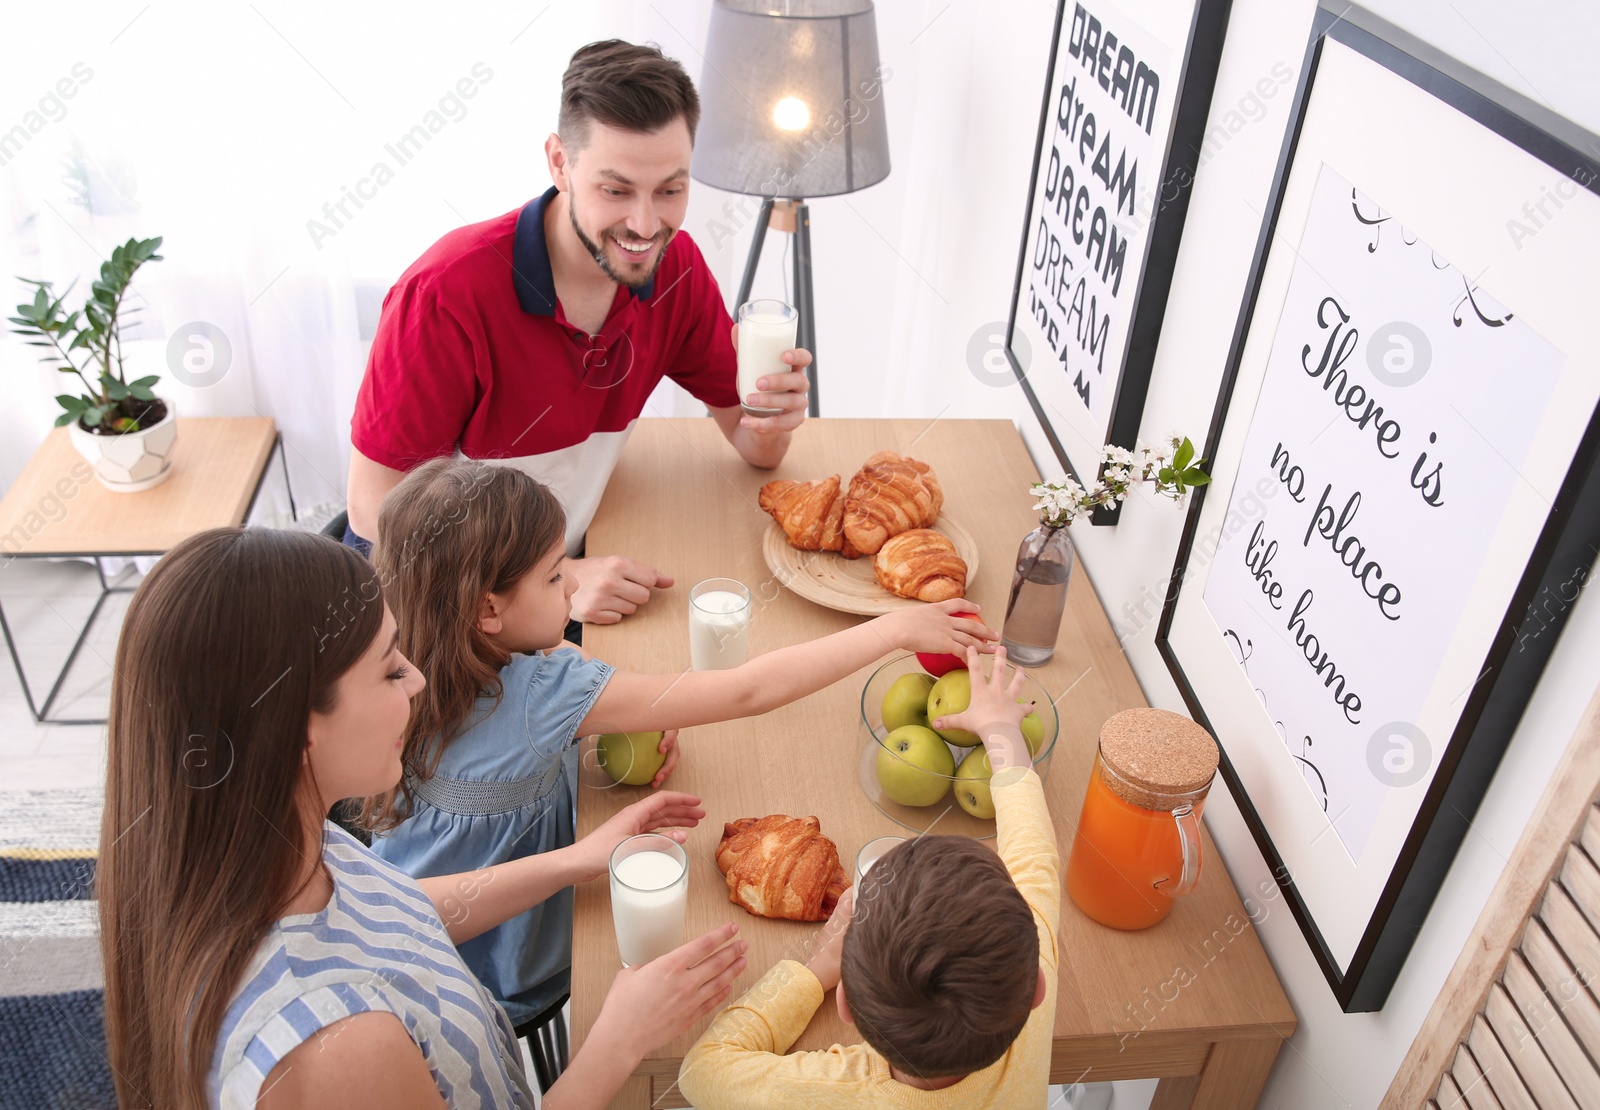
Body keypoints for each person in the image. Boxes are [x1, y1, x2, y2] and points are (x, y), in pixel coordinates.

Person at [98, 526, 751, 1110]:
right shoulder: (340, 1052)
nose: (416, 680)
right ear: (298, 731)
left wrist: (570, 861)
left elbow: (388, 909)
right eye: (388, 671)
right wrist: (615, 1043)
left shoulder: (277, 839)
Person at [362, 458, 996, 1036]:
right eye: (557, 576)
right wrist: (894, 627)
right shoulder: (544, 693)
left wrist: (611, 707)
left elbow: (545, 665)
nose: (569, 590)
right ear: (485, 611)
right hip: (502, 976)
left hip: (398, 937)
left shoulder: (402, 658)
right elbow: (746, 690)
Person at [345, 39, 811, 628]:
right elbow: (371, 512)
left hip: (552, 579)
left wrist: (771, 419)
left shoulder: (677, 269)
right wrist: (557, 580)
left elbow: (750, 444)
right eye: (615, 190)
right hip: (435, 601)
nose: (646, 225)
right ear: (560, 163)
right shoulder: (445, 294)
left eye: (671, 189)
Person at [676, 645, 1060, 1109]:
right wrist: (1000, 728)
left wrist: (816, 970)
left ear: (845, 1009)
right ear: (1038, 986)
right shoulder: (1030, 997)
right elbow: (1031, 842)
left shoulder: (838, 1091)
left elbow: (702, 1070)